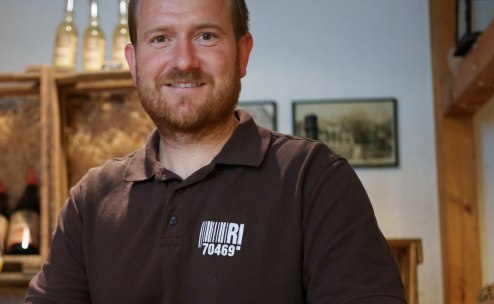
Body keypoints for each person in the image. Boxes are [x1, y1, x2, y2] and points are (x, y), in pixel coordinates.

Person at [26, 0, 406, 302]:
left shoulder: (314, 179)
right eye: (160, 39)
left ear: (243, 54)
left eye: (206, 36)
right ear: (134, 63)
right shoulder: (90, 200)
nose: (184, 61)